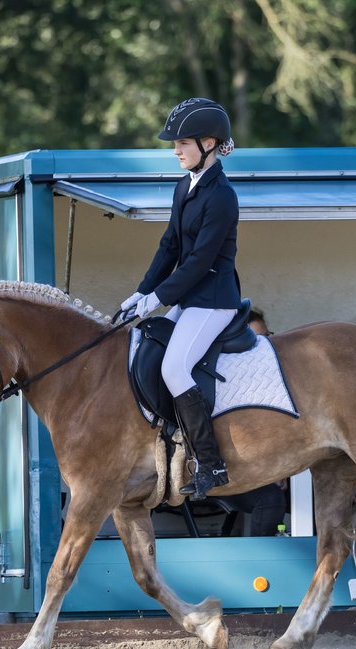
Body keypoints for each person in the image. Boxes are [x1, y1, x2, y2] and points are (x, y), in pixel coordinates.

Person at [119, 97, 240, 501]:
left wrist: (157, 299)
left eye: (182, 143)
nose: (175, 151)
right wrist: (140, 291)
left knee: (173, 368)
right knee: (147, 351)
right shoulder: (184, 186)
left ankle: (211, 462)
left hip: (214, 300)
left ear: (209, 143)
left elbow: (200, 262)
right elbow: (170, 245)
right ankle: (171, 437)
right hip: (189, 300)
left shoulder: (221, 196)